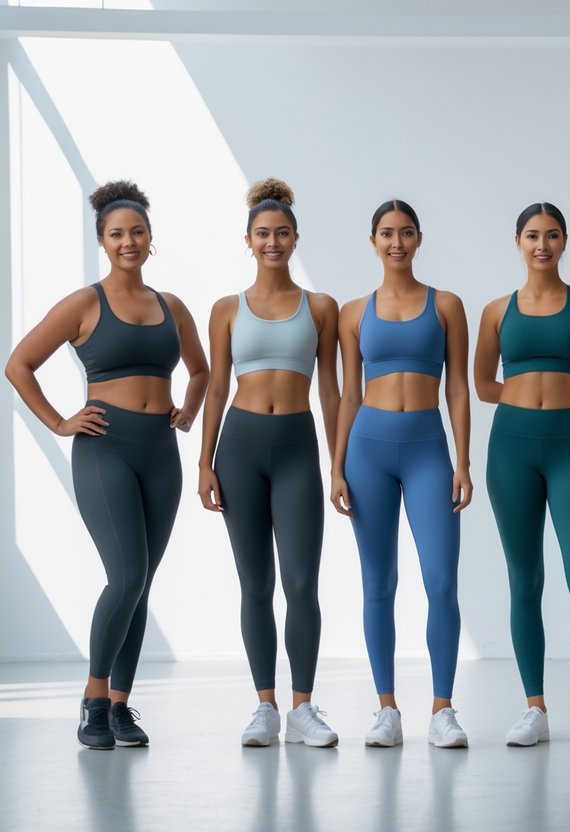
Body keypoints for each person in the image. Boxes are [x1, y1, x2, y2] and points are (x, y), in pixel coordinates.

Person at [5, 180, 208, 749]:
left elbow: (200, 370)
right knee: (126, 574)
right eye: (117, 233)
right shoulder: (84, 303)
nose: (129, 241)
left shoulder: (173, 307)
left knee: (141, 583)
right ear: (103, 240)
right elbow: (19, 363)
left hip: (159, 453)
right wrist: (60, 422)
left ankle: (121, 706)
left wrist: (188, 411)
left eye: (137, 231)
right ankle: (94, 701)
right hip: (105, 447)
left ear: (150, 237)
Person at [197, 179, 341, 747]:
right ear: (248, 240)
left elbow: (331, 393)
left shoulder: (321, 307)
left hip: (298, 447)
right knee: (255, 584)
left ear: (295, 237)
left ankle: (303, 707)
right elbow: (212, 390)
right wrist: (205, 463)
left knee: (302, 583)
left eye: (282, 233)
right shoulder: (226, 309)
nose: (273, 241)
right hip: (240, 446)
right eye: (263, 234)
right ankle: (265, 706)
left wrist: (338, 464)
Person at [330, 199, 472, 749]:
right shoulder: (351, 311)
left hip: (427, 449)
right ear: (373, 241)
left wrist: (463, 460)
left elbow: (458, 388)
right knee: (378, 584)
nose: (396, 242)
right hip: (367, 448)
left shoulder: (447, 306)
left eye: (406, 233)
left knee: (441, 579)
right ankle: (386, 708)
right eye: (386, 233)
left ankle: (442, 708)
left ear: (419, 239)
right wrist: (337, 465)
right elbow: (348, 393)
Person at [474, 203, 570, 746]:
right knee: (525, 580)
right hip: (510, 449)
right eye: (533, 236)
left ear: (565, 241)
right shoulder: (495, 311)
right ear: (517, 242)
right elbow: (482, 382)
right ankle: (534, 707)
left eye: (552, 236)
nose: (542, 245)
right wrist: (523, 394)